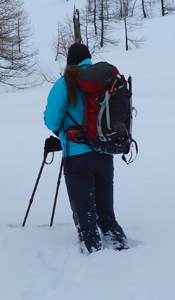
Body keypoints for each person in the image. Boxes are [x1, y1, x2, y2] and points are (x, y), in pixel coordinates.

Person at [44, 42, 129, 253]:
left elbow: (51, 119)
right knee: (107, 215)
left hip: (77, 157)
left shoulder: (65, 84)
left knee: (86, 215)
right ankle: (122, 250)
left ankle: (94, 261)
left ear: (69, 62)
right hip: (104, 152)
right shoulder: (105, 81)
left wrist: (61, 132)